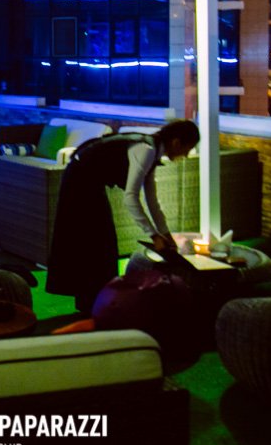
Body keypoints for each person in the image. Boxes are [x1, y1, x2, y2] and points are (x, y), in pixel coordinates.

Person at [46, 120, 201, 314]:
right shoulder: (146, 150)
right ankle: (92, 303)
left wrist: (165, 233)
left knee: (99, 243)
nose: (185, 156)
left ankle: (90, 302)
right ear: (177, 142)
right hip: (79, 181)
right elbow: (131, 197)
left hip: (86, 180)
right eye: (187, 149)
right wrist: (153, 235)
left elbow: (152, 200)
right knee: (97, 243)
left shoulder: (152, 150)